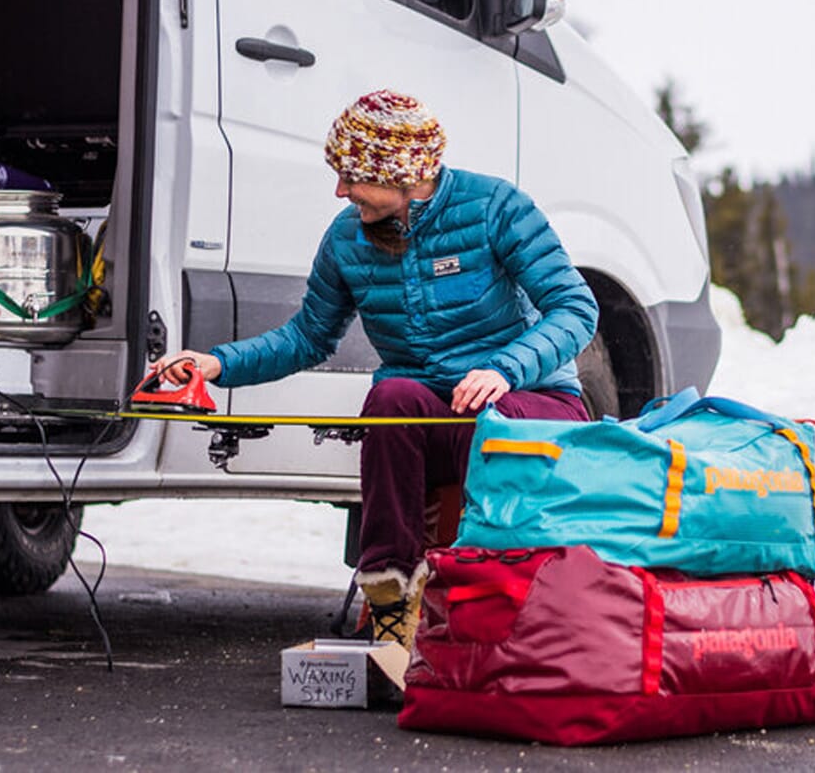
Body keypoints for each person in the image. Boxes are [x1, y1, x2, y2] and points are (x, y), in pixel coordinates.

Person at [160, 90, 599, 650]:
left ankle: (479, 599)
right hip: (437, 406)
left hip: (528, 401)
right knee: (392, 394)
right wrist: (216, 363)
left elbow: (576, 309)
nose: (340, 191)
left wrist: (505, 369)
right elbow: (305, 338)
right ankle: (391, 595)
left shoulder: (495, 208)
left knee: (488, 415)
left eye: (350, 176)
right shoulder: (347, 238)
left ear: (403, 176)